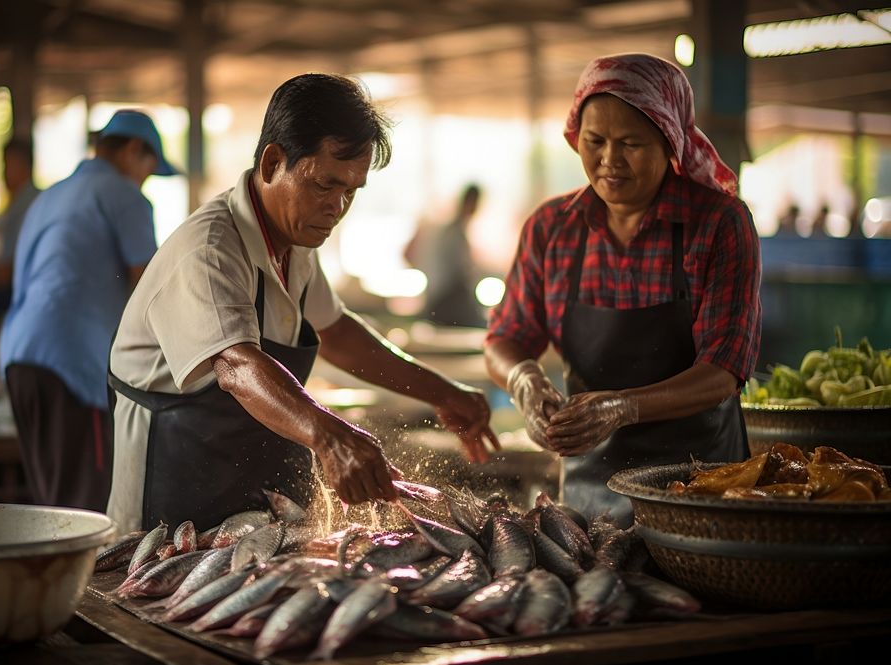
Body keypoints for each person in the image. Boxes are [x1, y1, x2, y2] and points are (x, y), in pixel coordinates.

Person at [106, 73, 499, 533]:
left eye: (351, 191)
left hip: (240, 493)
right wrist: (330, 438)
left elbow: (336, 333)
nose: (337, 207)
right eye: (324, 185)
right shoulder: (211, 249)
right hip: (166, 493)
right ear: (273, 162)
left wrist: (443, 393)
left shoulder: (295, 242)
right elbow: (235, 366)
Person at [484, 53, 762, 527]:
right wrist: (524, 381)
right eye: (595, 141)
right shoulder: (552, 228)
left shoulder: (719, 223)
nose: (609, 161)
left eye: (631, 143)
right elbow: (504, 339)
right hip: (589, 500)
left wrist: (623, 406)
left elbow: (723, 370)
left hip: (704, 492)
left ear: (669, 140)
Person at [0, 110, 179, 512]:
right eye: (149, 168)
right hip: (71, 363)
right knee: (86, 509)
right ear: (134, 150)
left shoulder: (51, 195)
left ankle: (51, 576)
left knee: (52, 502)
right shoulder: (124, 194)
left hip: (19, 358)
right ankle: (78, 579)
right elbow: (150, 288)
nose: (145, 179)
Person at [410, 183, 487, 328]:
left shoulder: (452, 231)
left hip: (441, 299)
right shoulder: (454, 234)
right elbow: (461, 271)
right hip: (447, 301)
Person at [0, 137, 39, 314]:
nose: (3, 172)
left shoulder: (31, 203)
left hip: (23, 291)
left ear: (24, 166)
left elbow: (10, 265)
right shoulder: (16, 202)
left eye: (7, 165)